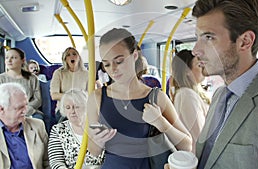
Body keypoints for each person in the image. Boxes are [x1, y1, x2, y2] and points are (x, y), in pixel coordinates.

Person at [164, 0, 258, 169]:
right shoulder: (220, 95)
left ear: (245, 41)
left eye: (208, 37)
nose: (196, 50)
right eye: (197, 38)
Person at [87, 28, 192, 169]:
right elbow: (93, 152)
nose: (113, 69)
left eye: (119, 61)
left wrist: (160, 122)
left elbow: (187, 145)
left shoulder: (156, 97)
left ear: (135, 55)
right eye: (106, 64)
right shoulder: (96, 98)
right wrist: (98, 141)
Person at [48, 89, 103, 169]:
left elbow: (111, 156)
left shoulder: (99, 127)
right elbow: (56, 161)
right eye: (68, 107)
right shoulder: (58, 130)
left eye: (76, 107)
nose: (72, 111)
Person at [0, 82, 49, 169]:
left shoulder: (37, 126)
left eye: (26, 105)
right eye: (20, 108)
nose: (25, 111)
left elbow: (48, 162)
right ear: (1, 109)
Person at [171, 49, 210, 154]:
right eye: (199, 66)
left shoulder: (193, 93)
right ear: (187, 71)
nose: (204, 69)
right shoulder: (186, 95)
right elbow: (200, 136)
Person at [0, 47, 44, 120]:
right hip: (6, 112)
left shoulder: (32, 78)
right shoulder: (1, 78)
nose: (9, 60)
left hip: (29, 111)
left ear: (22, 60)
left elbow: (37, 100)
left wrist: (25, 109)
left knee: (38, 119)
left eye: (13, 58)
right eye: (7, 58)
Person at [50, 47, 89, 123]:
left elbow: (90, 94)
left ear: (79, 58)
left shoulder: (87, 74)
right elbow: (54, 95)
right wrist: (72, 97)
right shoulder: (59, 73)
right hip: (64, 110)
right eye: (68, 55)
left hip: (82, 109)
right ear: (65, 59)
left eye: (74, 54)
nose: (72, 56)